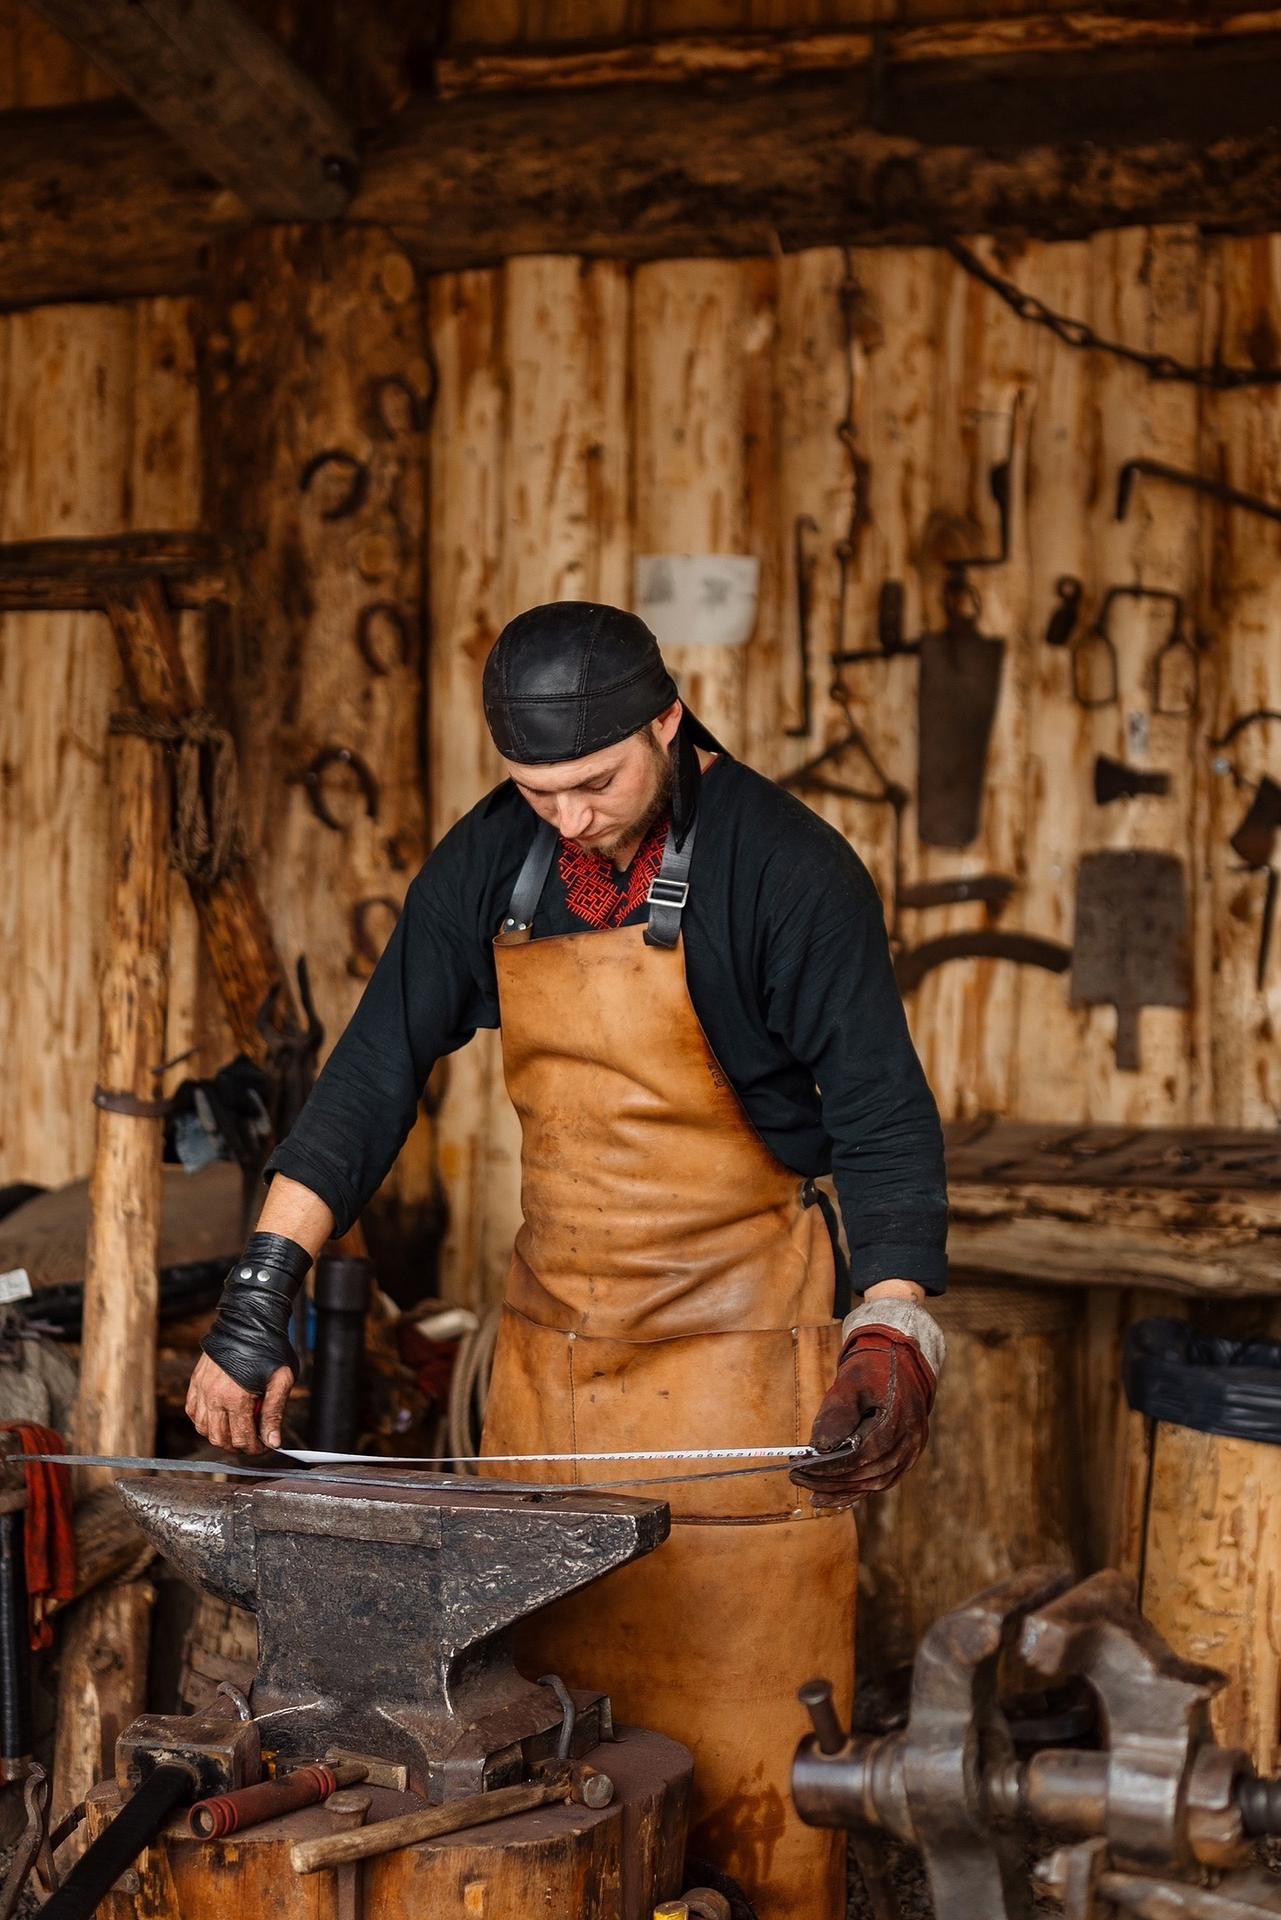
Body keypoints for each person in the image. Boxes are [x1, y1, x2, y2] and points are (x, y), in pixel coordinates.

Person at [186, 601, 948, 1919]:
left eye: (594, 783)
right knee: (541, 1788)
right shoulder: (498, 861)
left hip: (733, 1380)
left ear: (667, 720)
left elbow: (880, 1113)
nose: (570, 819)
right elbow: (374, 1074)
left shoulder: (786, 869)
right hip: (547, 1381)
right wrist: (262, 1289)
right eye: (538, 791)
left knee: (753, 1807)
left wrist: (891, 1324)